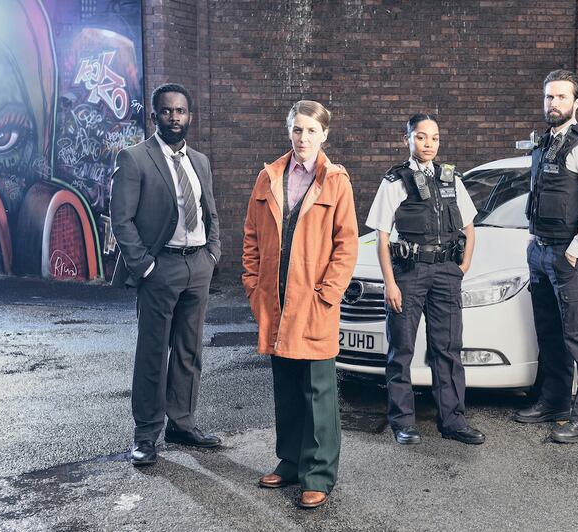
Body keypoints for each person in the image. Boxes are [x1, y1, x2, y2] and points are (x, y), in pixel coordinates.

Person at [242, 100, 358, 509]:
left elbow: (346, 246)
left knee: (318, 392)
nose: (303, 138)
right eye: (297, 130)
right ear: (289, 131)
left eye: (311, 130)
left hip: (313, 303)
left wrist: (328, 293)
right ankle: (290, 462)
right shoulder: (268, 177)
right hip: (274, 303)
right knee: (287, 389)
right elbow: (252, 238)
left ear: (324, 134)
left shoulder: (335, 181)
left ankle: (319, 473)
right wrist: (253, 286)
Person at [110, 83, 221, 466]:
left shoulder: (200, 161)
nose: (175, 117)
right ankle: (145, 435)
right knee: (154, 353)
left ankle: (182, 423)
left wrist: (212, 253)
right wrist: (146, 266)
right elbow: (122, 221)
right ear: (154, 115)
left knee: (190, 351)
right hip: (161, 267)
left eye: (181, 111)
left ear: (190, 116)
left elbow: (210, 211)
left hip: (198, 266)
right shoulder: (135, 158)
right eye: (167, 111)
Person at [366, 113, 485, 446]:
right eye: (421, 137)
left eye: (433, 138)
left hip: (447, 274)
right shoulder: (395, 180)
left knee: (447, 349)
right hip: (409, 274)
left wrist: (463, 266)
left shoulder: (451, 179)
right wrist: (390, 283)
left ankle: (454, 421)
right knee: (401, 350)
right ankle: (403, 423)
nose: (428, 143)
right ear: (407, 139)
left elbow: (470, 227)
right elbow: (382, 236)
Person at [514, 69, 578, 443]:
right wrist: (531, 242)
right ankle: (554, 401)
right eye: (548, 97)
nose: (553, 104)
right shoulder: (542, 144)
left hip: (569, 257)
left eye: (561, 97)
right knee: (550, 333)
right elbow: (538, 199)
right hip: (539, 251)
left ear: (576, 103)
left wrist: (573, 252)